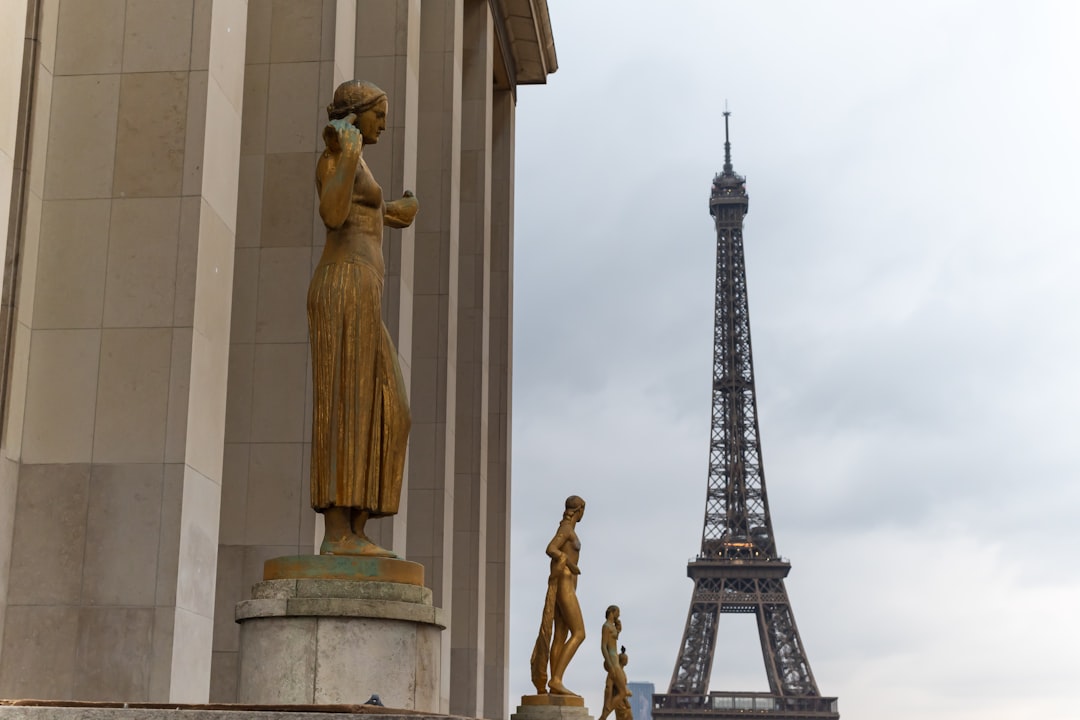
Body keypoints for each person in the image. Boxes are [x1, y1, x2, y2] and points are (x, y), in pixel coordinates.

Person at [308, 80, 418, 557]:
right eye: (379, 113)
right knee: (347, 407)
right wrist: (349, 152)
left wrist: (395, 210)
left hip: (364, 287)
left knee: (390, 408)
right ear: (356, 115)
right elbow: (332, 213)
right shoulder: (336, 155)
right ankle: (338, 532)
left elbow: (359, 209)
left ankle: (356, 521)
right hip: (343, 284)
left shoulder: (356, 158)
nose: (385, 122)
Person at [530, 495, 587, 696]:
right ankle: (556, 679)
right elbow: (551, 548)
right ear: (579, 510)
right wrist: (568, 562)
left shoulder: (568, 529)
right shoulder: (566, 529)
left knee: (560, 634)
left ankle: (556, 683)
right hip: (565, 583)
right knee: (580, 632)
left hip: (568, 583)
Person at [601, 606, 632, 720]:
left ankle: (605, 713)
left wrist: (618, 628)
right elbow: (603, 646)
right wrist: (610, 664)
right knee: (622, 691)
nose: (619, 615)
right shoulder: (606, 627)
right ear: (612, 612)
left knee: (618, 691)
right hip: (613, 663)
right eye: (618, 612)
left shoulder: (612, 627)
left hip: (615, 661)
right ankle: (603, 716)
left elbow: (614, 639)